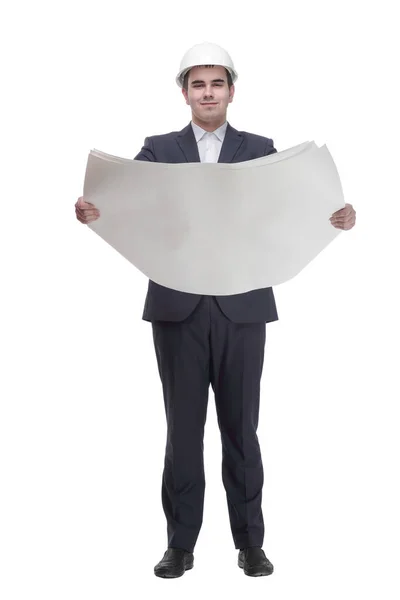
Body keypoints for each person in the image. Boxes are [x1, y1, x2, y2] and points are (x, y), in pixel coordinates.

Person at [75, 42, 356, 578]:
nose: (208, 93)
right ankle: (180, 544)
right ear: (184, 93)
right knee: (183, 431)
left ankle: (250, 542)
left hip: (243, 307)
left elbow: (295, 205)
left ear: (231, 91)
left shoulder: (260, 148)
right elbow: (128, 204)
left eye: (217, 84)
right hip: (178, 308)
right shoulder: (158, 150)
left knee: (241, 430)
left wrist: (337, 215)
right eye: (198, 84)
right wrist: (94, 210)